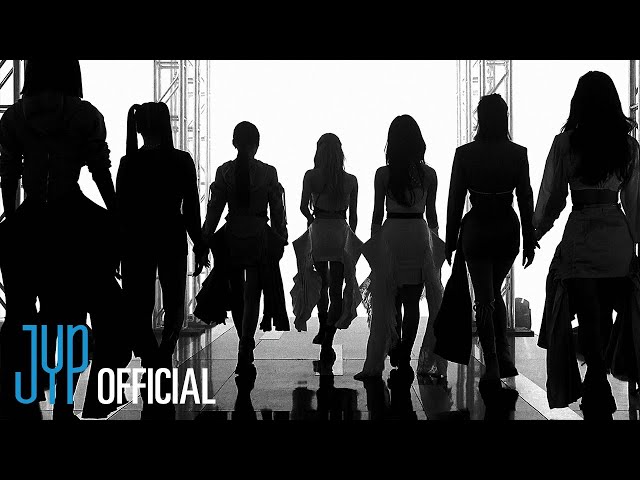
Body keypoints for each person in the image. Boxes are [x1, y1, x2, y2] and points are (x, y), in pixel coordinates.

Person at [0, 59, 128, 420]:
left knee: (22, 317)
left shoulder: (14, 117)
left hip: (28, 226)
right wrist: (116, 216)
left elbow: (8, 174)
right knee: (73, 318)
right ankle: (65, 404)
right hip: (74, 223)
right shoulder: (85, 115)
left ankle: (24, 395)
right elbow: (100, 170)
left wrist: (12, 218)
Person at [534, 71, 640, 420]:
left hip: (581, 235)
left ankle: (595, 379)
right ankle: (600, 377)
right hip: (616, 239)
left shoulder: (565, 144)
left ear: (578, 102)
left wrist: (536, 231)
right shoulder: (628, 147)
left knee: (589, 313)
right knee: (609, 312)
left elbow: (552, 198)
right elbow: (635, 204)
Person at [441, 93, 536, 406]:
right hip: (507, 230)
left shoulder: (465, 154)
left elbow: (455, 200)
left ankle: (493, 363)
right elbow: (525, 198)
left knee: (484, 298)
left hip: (477, 230)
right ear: (504, 117)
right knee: (493, 292)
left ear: (479, 118)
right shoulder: (517, 153)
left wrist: (450, 241)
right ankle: (504, 355)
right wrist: (530, 238)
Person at [116, 102, 207, 417]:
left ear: (140, 128)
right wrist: (200, 244)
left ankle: (150, 359)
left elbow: (121, 213)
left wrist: (117, 250)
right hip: (171, 235)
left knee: (138, 306)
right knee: (174, 303)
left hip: (137, 240)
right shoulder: (181, 161)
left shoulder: (129, 162)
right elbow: (191, 209)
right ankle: (164, 355)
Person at [355, 114, 444, 382]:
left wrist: (375, 246)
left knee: (388, 299)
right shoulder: (429, 175)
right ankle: (405, 354)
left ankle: (389, 349)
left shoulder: (384, 174)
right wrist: (436, 246)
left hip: (391, 234)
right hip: (418, 234)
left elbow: (376, 214)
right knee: (412, 301)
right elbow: (432, 215)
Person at [200, 121, 288, 378]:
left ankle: (243, 342)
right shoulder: (268, 172)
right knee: (253, 295)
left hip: (232, 237)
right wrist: (281, 237)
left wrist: (204, 240)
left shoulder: (224, 172)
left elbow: (214, 210)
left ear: (234, 143)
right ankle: (246, 343)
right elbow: (277, 210)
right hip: (259, 237)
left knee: (237, 293)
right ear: (257, 144)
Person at [291, 133, 362, 363]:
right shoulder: (350, 180)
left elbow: (303, 207)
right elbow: (354, 216)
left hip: (319, 231)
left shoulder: (311, 176)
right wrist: (349, 239)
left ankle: (322, 327)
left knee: (321, 284)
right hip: (341, 232)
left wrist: (312, 219)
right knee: (337, 288)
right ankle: (329, 339)